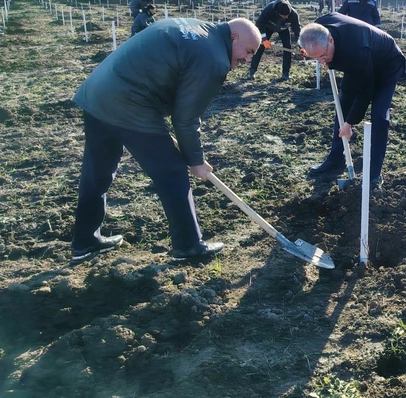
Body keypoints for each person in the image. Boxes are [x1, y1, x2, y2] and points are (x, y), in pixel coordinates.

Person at [70, 17, 262, 262]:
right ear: (233, 37)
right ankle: (189, 246)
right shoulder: (213, 58)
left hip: (98, 92)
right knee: (172, 172)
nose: (247, 59)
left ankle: (84, 241)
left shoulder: (194, 26)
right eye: (248, 51)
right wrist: (196, 161)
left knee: (97, 171)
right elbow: (186, 118)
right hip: (130, 102)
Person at [301, 13, 406, 189]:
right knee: (342, 106)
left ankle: (374, 174)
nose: (321, 61)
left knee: (379, 116)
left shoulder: (356, 51)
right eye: (316, 58)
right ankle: (336, 158)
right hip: (357, 61)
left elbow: (364, 93)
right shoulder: (317, 28)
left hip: (386, 64)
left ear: (331, 40)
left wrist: (350, 124)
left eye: (323, 56)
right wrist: (314, 54)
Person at [247, 0, 301, 81]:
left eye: (288, 15)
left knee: (288, 48)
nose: (287, 17)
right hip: (268, 27)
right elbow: (259, 24)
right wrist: (264, 39)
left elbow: (297, 30)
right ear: (278, 13)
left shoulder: (293, 14)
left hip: (283, 29)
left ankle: (285, 73)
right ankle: (252, 71)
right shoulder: (269, 10)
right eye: (284, 15)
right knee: (260, 47)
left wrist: (301, 46)